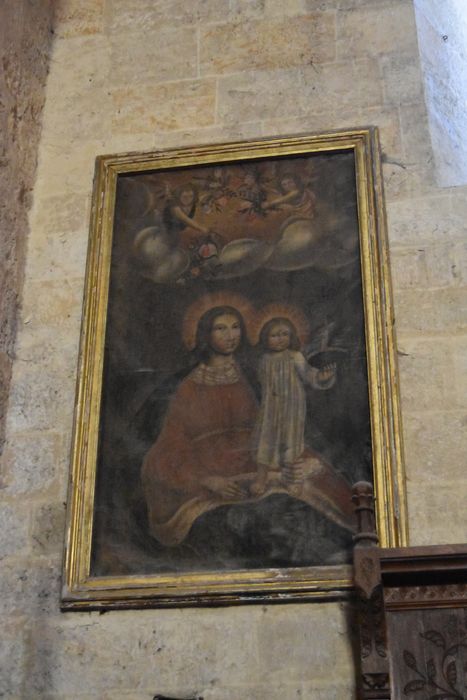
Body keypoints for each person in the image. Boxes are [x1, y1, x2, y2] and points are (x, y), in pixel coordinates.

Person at [141, 305, 354, 549]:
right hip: (209, 465)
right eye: (220, 329)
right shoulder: (187, 386)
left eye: (235, 328)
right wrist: (208, 480)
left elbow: (285, 415)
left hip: (261, 453)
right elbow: (170, 447)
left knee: (321, 478)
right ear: (205, 335)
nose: (230, 335)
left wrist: (305, 461)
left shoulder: (255, 371)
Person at [251, 317, 336, 496]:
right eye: (275, 335)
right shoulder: (264, 359)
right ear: (265, 338)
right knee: (266, 440)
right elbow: (261, 381)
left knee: (291, 441)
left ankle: (291, 479)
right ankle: (261, 479)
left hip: (292, 408)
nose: (280, 339)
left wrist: (320, 377)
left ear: (292, 336)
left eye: (285, 334)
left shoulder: (295, 356)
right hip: (270, 408)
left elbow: (308, 374)